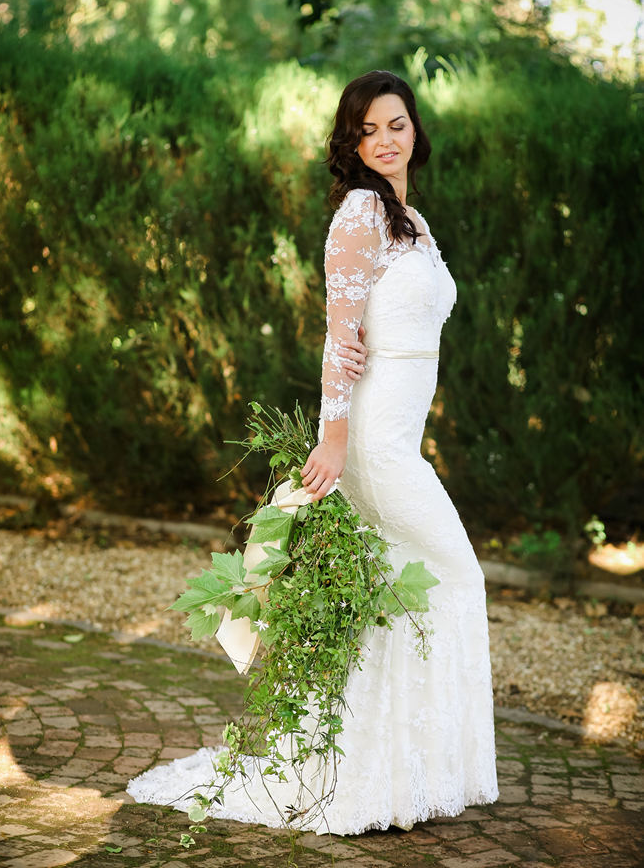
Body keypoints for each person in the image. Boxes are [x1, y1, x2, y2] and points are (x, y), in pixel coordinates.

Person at [127, 70, 498, 834]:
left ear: (415, 130)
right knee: (457, 576)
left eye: (397, 125)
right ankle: (408, 767)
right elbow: (341, 335)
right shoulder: (360, 213)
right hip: (374, 446)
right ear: (352, 143)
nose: (386, 140)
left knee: (405, 595)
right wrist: (334, 438)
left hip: (400, 438)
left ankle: (397, 774)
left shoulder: (412, 221)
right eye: (369, 130)